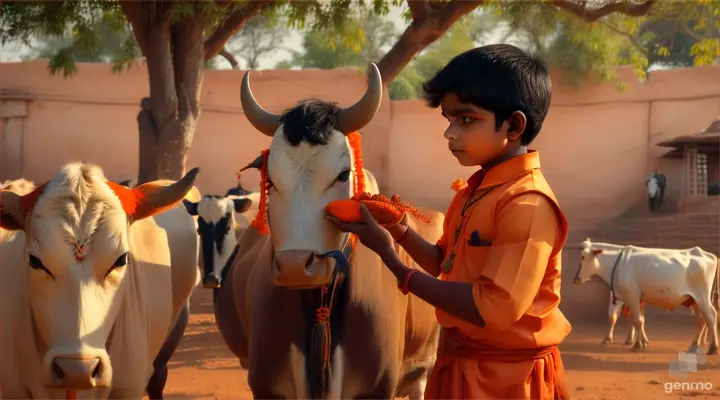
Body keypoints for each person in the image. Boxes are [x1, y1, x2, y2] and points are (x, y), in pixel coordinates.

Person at [326, 44, 571, 399]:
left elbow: (492, 307)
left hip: (508, 380)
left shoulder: (527, 203)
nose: (449, 133)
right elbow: (444, 263)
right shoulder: (474, 191)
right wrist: (396, 229)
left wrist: (394, 264)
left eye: (467, 119)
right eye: (449, 119)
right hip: (460, 365)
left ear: (514, 125)